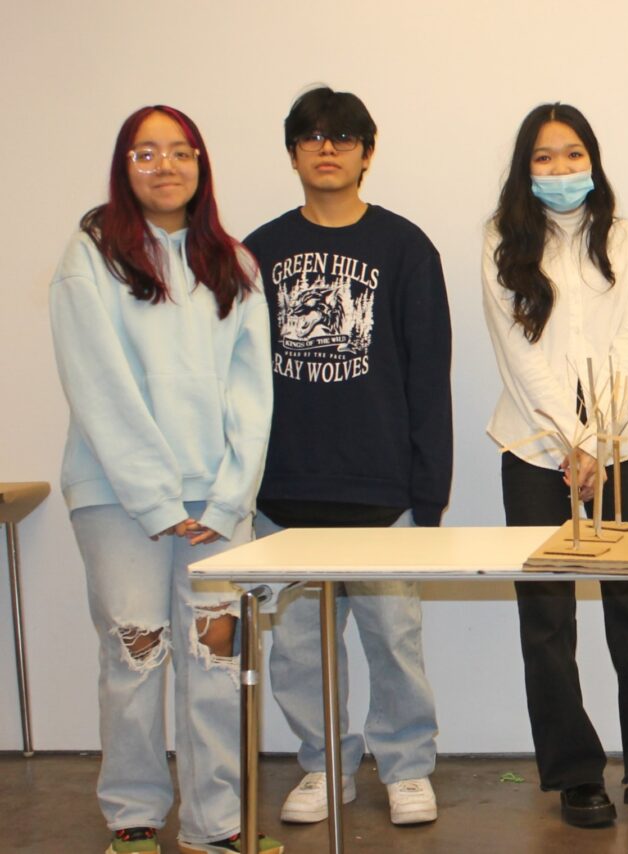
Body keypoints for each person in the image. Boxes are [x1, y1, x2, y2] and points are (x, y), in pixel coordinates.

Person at [49, 106, 280, 854]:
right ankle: (133, 812)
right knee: (136, 654)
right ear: (124, 168)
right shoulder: (92, 257)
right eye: (145, 154)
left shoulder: (235, 264)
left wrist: (228, 497)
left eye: (180, 152)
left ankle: (217, 822)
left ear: (201, 164)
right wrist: (155, 497)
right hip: (118, 500)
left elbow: (253, 395)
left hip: (216, 502)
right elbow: (99, 386)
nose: (165, 166)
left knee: (218, 659)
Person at [244, 87, 453, 827]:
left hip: (382, 491)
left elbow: (429, 375)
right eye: (311, 136)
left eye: (342, 137)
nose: (326, 148)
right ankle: (323, 763)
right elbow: (234, 377)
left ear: (367, 152)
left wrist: (428, 494)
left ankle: (407, 767)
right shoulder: (256, 253)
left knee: (395, 640)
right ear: (292, 152)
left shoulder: (405, 248)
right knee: (299, 650)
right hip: (283, 492)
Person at [482, 102, 628, 828]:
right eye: (543, 157)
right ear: (524, 169)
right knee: (547, 619)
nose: (560, 169)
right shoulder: (501, 243)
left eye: (572, 155)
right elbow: (519, 355)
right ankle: (575, 774)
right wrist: (570, 438)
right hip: (535, 449)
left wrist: (598, 439)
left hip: (622, 446)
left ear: (592, 161)